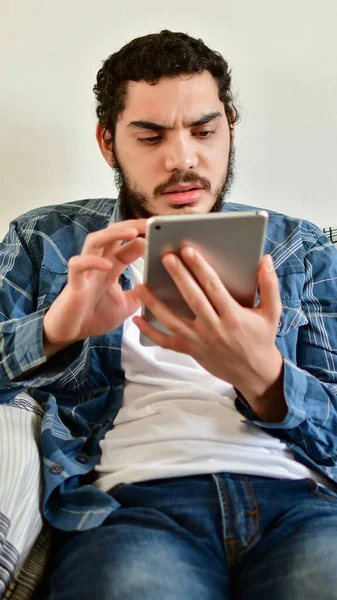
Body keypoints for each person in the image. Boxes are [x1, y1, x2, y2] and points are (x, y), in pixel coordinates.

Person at [1, 29, 337, 600]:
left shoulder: (303, 249)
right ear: (108, 143)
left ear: (230, 126)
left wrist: (266, 378)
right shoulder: (47, 239)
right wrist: (57, 330)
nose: (183, 159)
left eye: (204, 131)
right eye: (150, 136)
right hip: (133, 506)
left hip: (301, 502)